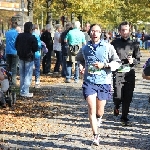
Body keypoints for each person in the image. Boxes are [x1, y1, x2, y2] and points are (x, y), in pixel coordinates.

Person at [76, 24, 121, 146]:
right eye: (93, 31)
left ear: (101, 33)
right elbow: (79, 59)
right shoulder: (85, 48)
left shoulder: (108, 47)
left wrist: (105, 65)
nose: (95, 33)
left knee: (99, 111)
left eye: (98, 31)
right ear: (89, 33)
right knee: (91, 108)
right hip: (89, 81)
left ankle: (99, 117)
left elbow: (117, 62)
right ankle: (96, 136)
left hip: (104, 82)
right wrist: (81, 66)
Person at [111, 21, 141, 126]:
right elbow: (110, 57)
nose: (125, 32)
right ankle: (116, 105)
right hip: (118, 73)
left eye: (126, 30)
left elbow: (138, 59)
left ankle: (124, 117)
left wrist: (133, 61)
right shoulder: (114, 43)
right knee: (118, 96)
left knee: (128, 97)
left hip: (129, 73)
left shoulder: (135, 43)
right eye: (123, 30)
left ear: (129, 30)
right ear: (119, 31)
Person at [15, 22, 38, 97]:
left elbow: (15, 45)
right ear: (31, 29)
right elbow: (35, 48)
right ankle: (25, 91)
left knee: (22, 74)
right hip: (29, 57)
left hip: (21, 57)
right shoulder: (32, 37)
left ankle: (22, 90)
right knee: (28, 74)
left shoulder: (19, 36)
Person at [5, 22, 19, 86]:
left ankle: (8, 80)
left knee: (8, 67)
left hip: (8, 51)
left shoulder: (7, 33)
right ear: (16, 27)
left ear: (11, 26)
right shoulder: (17, 34)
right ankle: (13, 82)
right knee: (14, 67)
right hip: (15, 52)